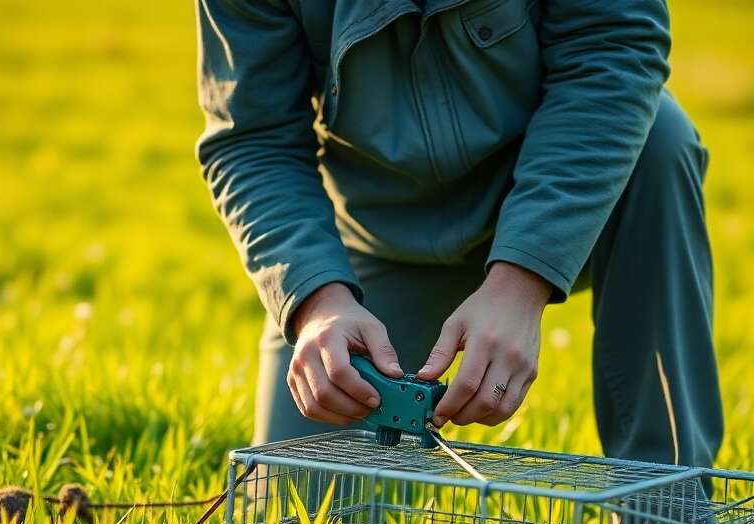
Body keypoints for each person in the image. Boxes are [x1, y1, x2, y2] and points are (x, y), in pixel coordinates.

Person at [195, 0, 723, 470]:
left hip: (568, 208)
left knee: (661, 139)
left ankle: (670, 515)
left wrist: (522, 279)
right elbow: (254, 139)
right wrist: (317, 299)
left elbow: (615, 52)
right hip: (381, 242)